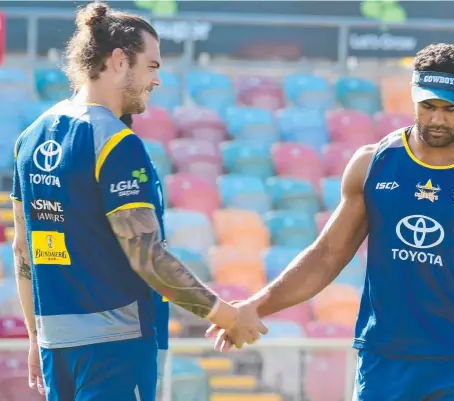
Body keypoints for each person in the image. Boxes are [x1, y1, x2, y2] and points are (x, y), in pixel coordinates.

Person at [207, 43, 454, 401]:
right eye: (428, 106)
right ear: (413, 96)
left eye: (450, 109)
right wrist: (254, 306)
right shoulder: (373, 164)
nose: (438, 119)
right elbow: (327, 255)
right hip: (382, 363)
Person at [11, 3, 267, 401]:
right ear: (118, 61)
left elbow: (22, 248)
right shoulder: (115, 141)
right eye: (151, 66)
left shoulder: (30, 137)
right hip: (116, 345)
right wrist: (226, 315)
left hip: (53, 344)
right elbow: (146, 255)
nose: (157, 80)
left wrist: (34, 338)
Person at [120, 113, 169, 390]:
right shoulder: (138, 163)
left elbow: (149, 251)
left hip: (141, 325)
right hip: (128, 328)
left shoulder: (136, 164)